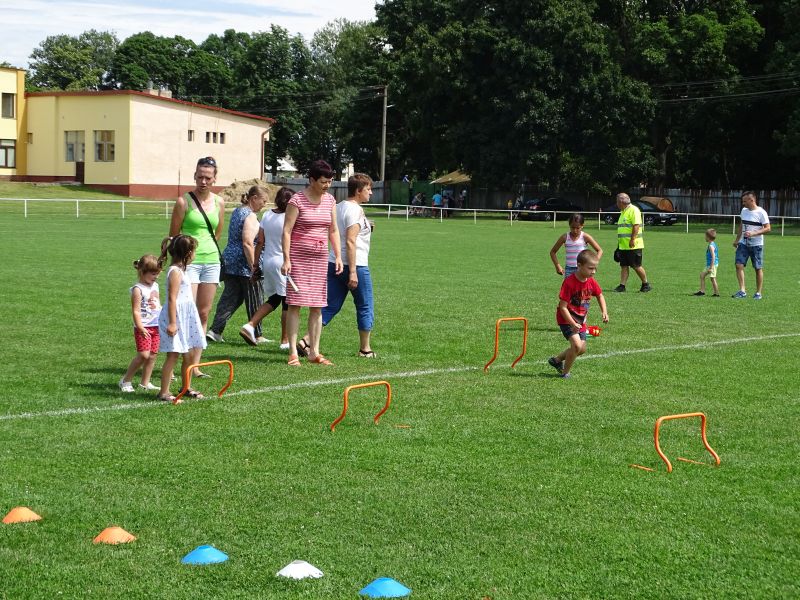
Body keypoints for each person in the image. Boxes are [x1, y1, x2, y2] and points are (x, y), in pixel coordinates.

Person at [298, 173, 377, 358]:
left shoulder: (339, 206)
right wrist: (353, 272)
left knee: (330, 306)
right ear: (358, 191)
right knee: (365, 305)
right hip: (355, 265)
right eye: (368, 189)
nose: (371, 193)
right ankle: (365, 349)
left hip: (334, 262)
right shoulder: (355, 210)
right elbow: (350, 241)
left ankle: (306, 341)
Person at [281, 160, 343, 366]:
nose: (327, 185)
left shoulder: (330, 200)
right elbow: (287, 231)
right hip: (298, 260)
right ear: (311, 180)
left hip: (320, 260)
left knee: (317, 306)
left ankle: (314, 352)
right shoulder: (296, 201)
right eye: (323, 182)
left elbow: (333, 230)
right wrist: (287, 259)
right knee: (295, 304)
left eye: (330, 181)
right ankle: (292, 352)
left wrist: (338, 256)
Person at [168, 156, 224, 376]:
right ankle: (176, 363)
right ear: (194, 176)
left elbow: (217, 233)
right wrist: (180, 260)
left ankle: (195, 366)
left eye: (208, 177)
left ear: (214, 178)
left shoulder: (219, 202)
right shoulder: (183, 202)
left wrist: (207, 249)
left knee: (203, 313)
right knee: (185, 312)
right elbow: (174, 236)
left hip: (211, 262)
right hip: (188, 263)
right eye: (200, 177)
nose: (203, 181)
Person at [207, 185, 268, 343]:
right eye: (263, 201)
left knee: (230, 298)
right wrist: (254, 266)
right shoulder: (250, 216)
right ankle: (257, 334)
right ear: (254, 198)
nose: (264, 205)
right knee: (255, 297)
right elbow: (247, 242)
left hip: (230, 260)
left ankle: (215, 331)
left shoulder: (237, 211)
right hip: (244, 263)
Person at [240, 186, 293, 350]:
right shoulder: (290, 217)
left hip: (268, 262)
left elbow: (260, 242)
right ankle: (285, 340)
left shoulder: (267, 214)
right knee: (287, 302)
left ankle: (250, 325)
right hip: (283, 262)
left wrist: (256, 264)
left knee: (275, 298)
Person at [156, 235, 207, 402]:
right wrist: (172, 323)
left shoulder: (182, 270)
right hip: (176, 317)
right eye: (194, 251)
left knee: (189, 355)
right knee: (173, 355)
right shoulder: (175, 272)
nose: (195, 255)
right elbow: (172, 298)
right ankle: (164, 392)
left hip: (186, 318)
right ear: (188, 253)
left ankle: (186, 387)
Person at [548, 250, 609, 379]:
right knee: (576, 345)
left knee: (581, 349)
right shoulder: (569, 283)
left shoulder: (591, 281)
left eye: (595, 268)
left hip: (581, 321)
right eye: (590, 268)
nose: (593, 271)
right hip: (566, 319)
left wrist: (604, 311)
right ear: (579, 265)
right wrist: (572, 323)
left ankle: (557, 360)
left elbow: (600, 295)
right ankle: (565, 373)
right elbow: (563, 307)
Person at [119, 255, 162, 393]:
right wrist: (140, 327)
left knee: (152, 355)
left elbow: (157, 305)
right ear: (142, 272)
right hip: (143, 327)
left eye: (157, 273)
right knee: (143, 355)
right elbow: (136, 311)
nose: (156, 276)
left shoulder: (155, 286)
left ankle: (145, 383)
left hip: (156, 326)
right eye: (153, 274)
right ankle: (125, 381)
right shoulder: (137, 289)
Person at [732, 191, 770, 299]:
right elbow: (742, 225)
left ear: (752, 200)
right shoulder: (744, 211)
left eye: (745, 201)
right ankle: (742, 291)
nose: (743, 203)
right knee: (738, 265)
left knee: (757, 268)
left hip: (756, 245)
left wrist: (754, 233)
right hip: (743, 243)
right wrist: (737, 239)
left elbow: (768, 228)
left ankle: (758, 293)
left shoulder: (761, 213)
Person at [613, 193, 651, 293]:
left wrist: (632, 239)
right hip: (623, 245)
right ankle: (622, 286)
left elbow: (636, 226)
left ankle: (646, 284)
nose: (617, 204)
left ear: (621, 202)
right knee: (624, 266)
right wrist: (618, 246)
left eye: (617, 201)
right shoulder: (623, 212)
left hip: (633, 245)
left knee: (636, 265)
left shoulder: (634, 210)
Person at [693, 228, 719, 297]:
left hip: (712, 265)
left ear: (708, 237)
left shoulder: (711, 246)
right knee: (702, 275)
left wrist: (711, 267)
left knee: (712, 278)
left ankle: (716, 293)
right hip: (709, 265)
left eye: (705, 236)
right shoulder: (712, 244)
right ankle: (702, 291)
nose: (704, 237)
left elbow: (713, 257)